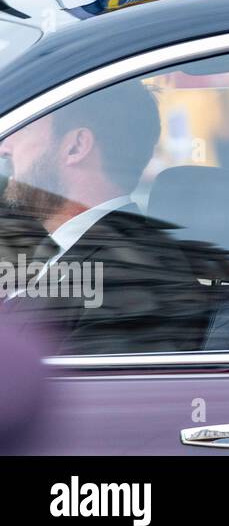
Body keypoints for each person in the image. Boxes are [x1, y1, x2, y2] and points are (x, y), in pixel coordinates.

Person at [0, 82, 209, 354]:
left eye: (24, 128)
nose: (6, 146)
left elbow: (72, 393)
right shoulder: (64, 250)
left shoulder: (132, 278)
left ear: (76, 146)